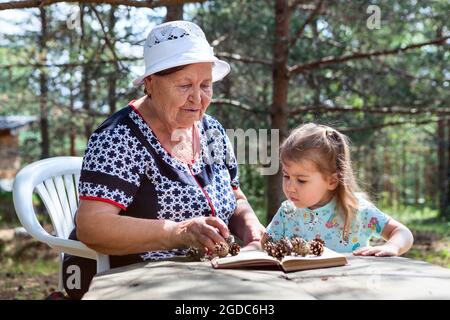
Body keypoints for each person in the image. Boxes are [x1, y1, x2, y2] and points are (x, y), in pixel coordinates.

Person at [63, 20, 265, 299]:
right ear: (150, 83)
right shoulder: (118, 137)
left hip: (208, 276)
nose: (198, 98)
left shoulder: (212, 130)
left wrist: (251, 227)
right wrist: (179, 232)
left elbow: (236, 197)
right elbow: (92, 226)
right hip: (137, 280)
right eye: (184, 85)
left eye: (206, 85)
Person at [266, 123, 413, 256]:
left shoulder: (357, 210)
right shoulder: (287, 212)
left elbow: (402, 232)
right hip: (298, 284)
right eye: (286, 176)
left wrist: (393, 246)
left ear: (332, 181)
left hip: (349, 284)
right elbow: (265, 245)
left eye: (301, 180)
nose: (290, 187)